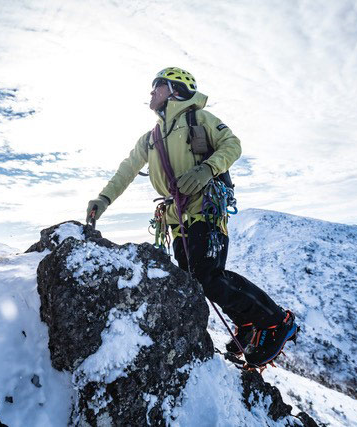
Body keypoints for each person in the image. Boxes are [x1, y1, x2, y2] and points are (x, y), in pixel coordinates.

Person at [86, 67, 297, 368]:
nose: (151, 93)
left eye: (156, 87)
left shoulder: (200, 119)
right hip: (177, 215)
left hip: (206, 207)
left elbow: (232, 145)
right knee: (200, 279)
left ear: (174, 89)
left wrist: (206, 169)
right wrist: (103, 199)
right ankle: (249, 324)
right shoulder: (151, 138)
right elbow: (127, 169)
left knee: (206, 277)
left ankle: (275, 321)